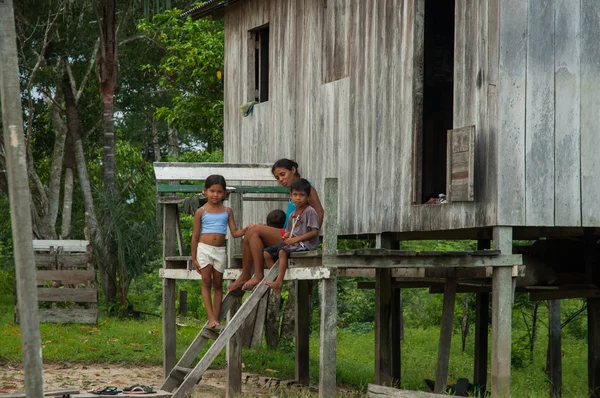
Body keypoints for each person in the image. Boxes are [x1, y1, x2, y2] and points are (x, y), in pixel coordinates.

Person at [227, 159, 324, 292]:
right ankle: (247, 275)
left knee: (254, 230)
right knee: (251, 230)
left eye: (283, 174)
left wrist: (307, 238)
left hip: (298, 240)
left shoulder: (305, 188)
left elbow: (320, 212)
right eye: (277, 178)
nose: (281, 180)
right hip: (288, 235)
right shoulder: (294, 193)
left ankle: (257, 275)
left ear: (293, 170)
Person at [191, 175, 247, 328]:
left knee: (217, 284)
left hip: (220, 251)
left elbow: (234, 233)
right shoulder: (200, 212)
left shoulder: (227, 211)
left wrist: (248, 229)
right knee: (206, 282)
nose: (215, 195)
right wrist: (193, 257)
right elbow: (195, 235)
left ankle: (216, 318)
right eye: (212, 191)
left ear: (225, 193)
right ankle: (211, 318)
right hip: (204, 249)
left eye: (219, 192)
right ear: (205, 191)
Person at [263, 179, 320, 294]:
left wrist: (296, 238)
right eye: (295, 195)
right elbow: (289, 232)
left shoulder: (310, 212)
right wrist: (287, 236)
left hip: (306, 244)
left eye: (301, 195)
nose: (298, 198)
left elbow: (314, 232)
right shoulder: (292, 214)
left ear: (308, 197)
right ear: (291, 196)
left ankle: (279, 282)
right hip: (294, 243)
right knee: (266, 253)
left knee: (282, 252)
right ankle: (274, 279)